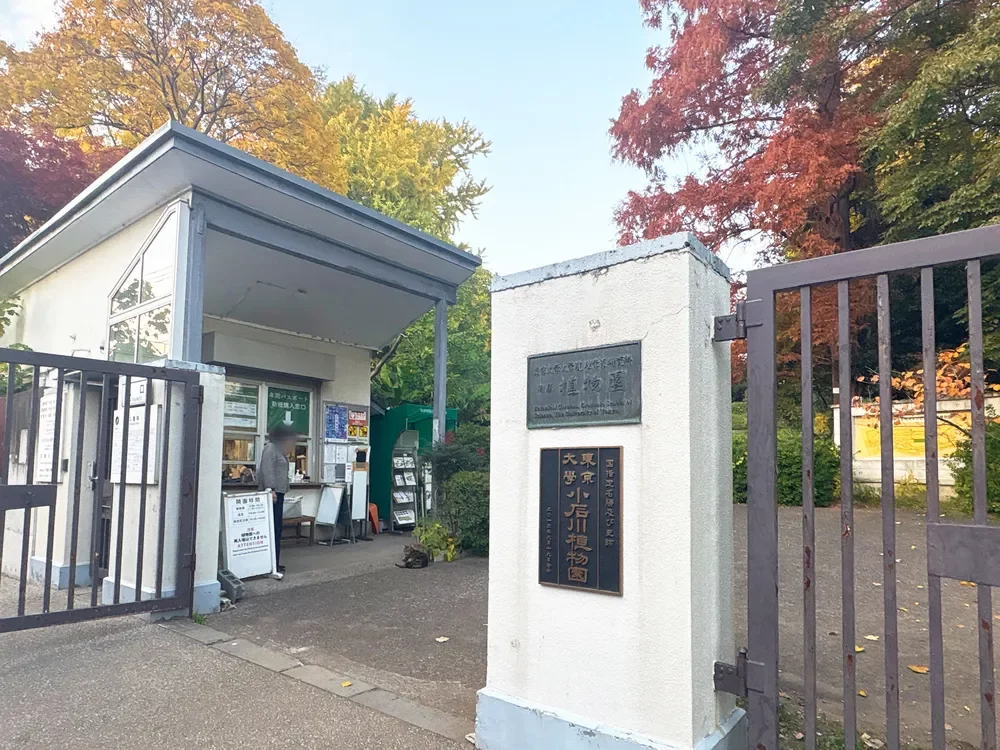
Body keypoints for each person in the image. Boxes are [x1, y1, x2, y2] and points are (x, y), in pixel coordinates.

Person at [258, 424, 295, 574]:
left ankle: (275, 562)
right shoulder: (271, 448)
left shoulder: (279, 450)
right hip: (272, 494)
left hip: (278, 493)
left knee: (277, 528)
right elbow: (267, 470)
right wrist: (271, 489)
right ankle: (271, 563)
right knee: (273, 528)